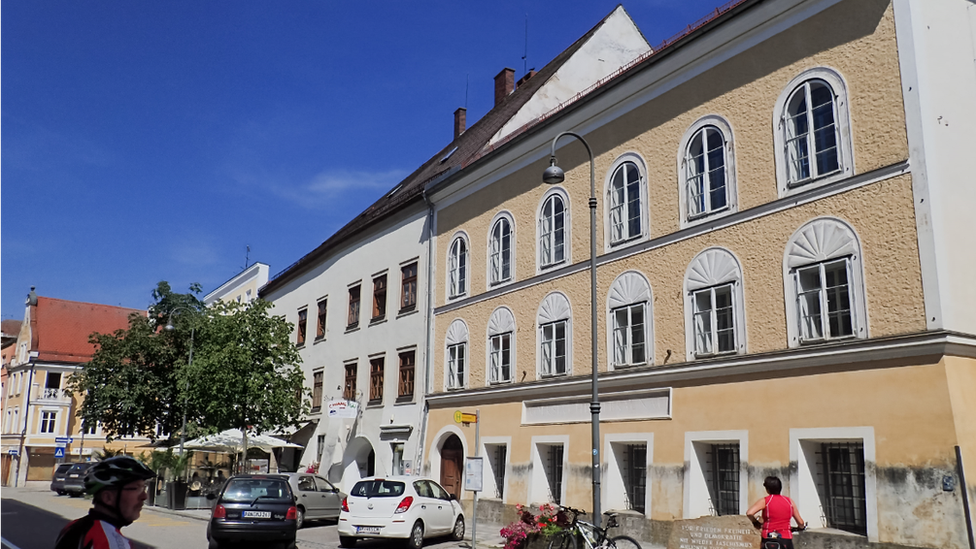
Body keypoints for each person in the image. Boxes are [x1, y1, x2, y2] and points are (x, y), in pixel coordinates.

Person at [54, 456, 156, 549]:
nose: (144, 496)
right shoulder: (110, 542)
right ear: (108, 498)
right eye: (136, 488)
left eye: (144, 488)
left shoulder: (73, 527)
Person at [746, 476, 806, 549]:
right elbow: (801, 523)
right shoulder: (789, 502)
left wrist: (756, 522)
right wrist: (799, 528)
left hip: (768, 538)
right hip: (785, 538)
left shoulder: (766, 501)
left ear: (768, 490)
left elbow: (749, 513)